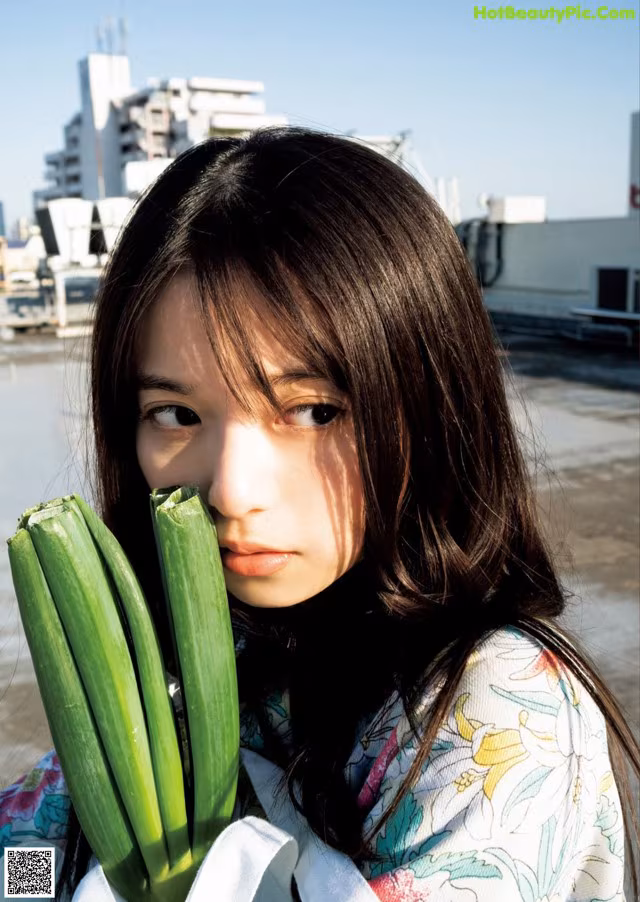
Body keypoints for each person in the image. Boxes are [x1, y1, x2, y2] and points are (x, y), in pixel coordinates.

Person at [1, 126, 638, 901]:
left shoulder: (495, 710)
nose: (231, 493)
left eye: (313, 411)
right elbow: (36, 832)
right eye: (174, 413)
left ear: (429, 405)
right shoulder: (197, 655)